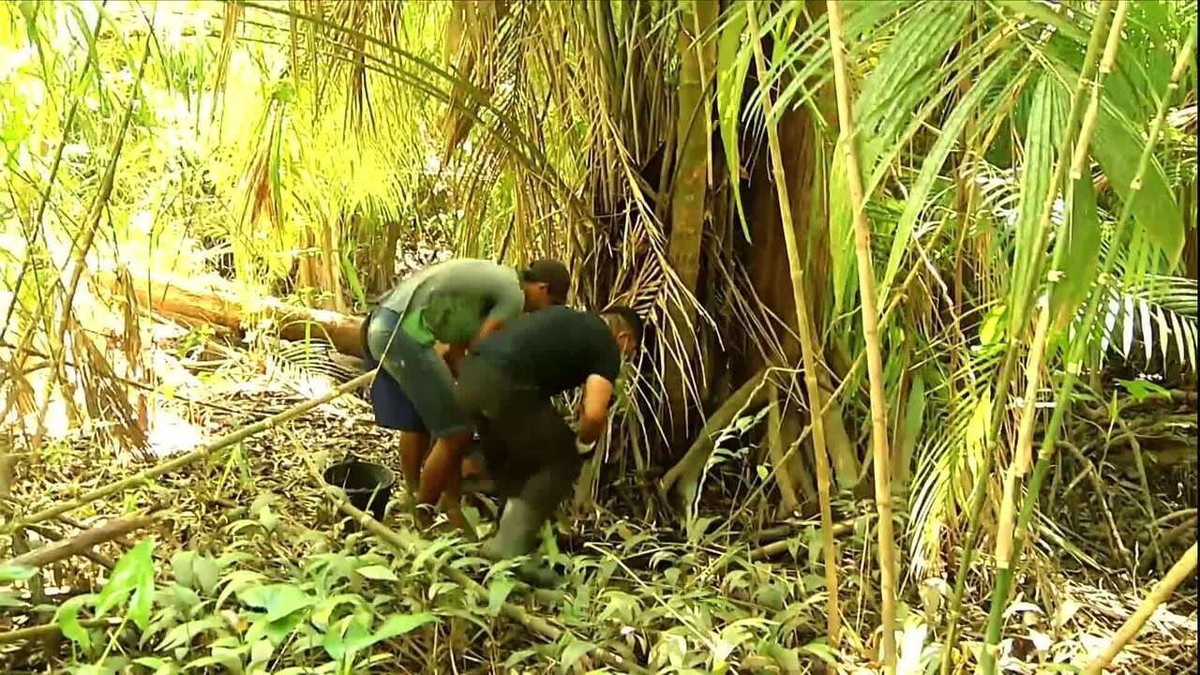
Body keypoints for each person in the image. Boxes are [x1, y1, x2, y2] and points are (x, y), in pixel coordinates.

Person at [362, 258, 571, 532]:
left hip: (383, 324)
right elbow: (482, 352)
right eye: (551, 304)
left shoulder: (495, 283)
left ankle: (430, 501)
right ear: (543, 288)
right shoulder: (514, 296)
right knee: (457, 432)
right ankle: (421, 523)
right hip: (403, 335)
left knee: (425, 421)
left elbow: (457, 352)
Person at [452, 303, 643, 582]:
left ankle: (506, 549)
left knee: (519, 460)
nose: (627, 356)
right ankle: (507, 549)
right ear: (624, 339)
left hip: (470, 376)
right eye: (631, 350)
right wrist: (583, 444)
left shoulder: (566, 318)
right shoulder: (606, 343)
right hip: (503, 386)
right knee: (561, 460)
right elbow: (594, 413)